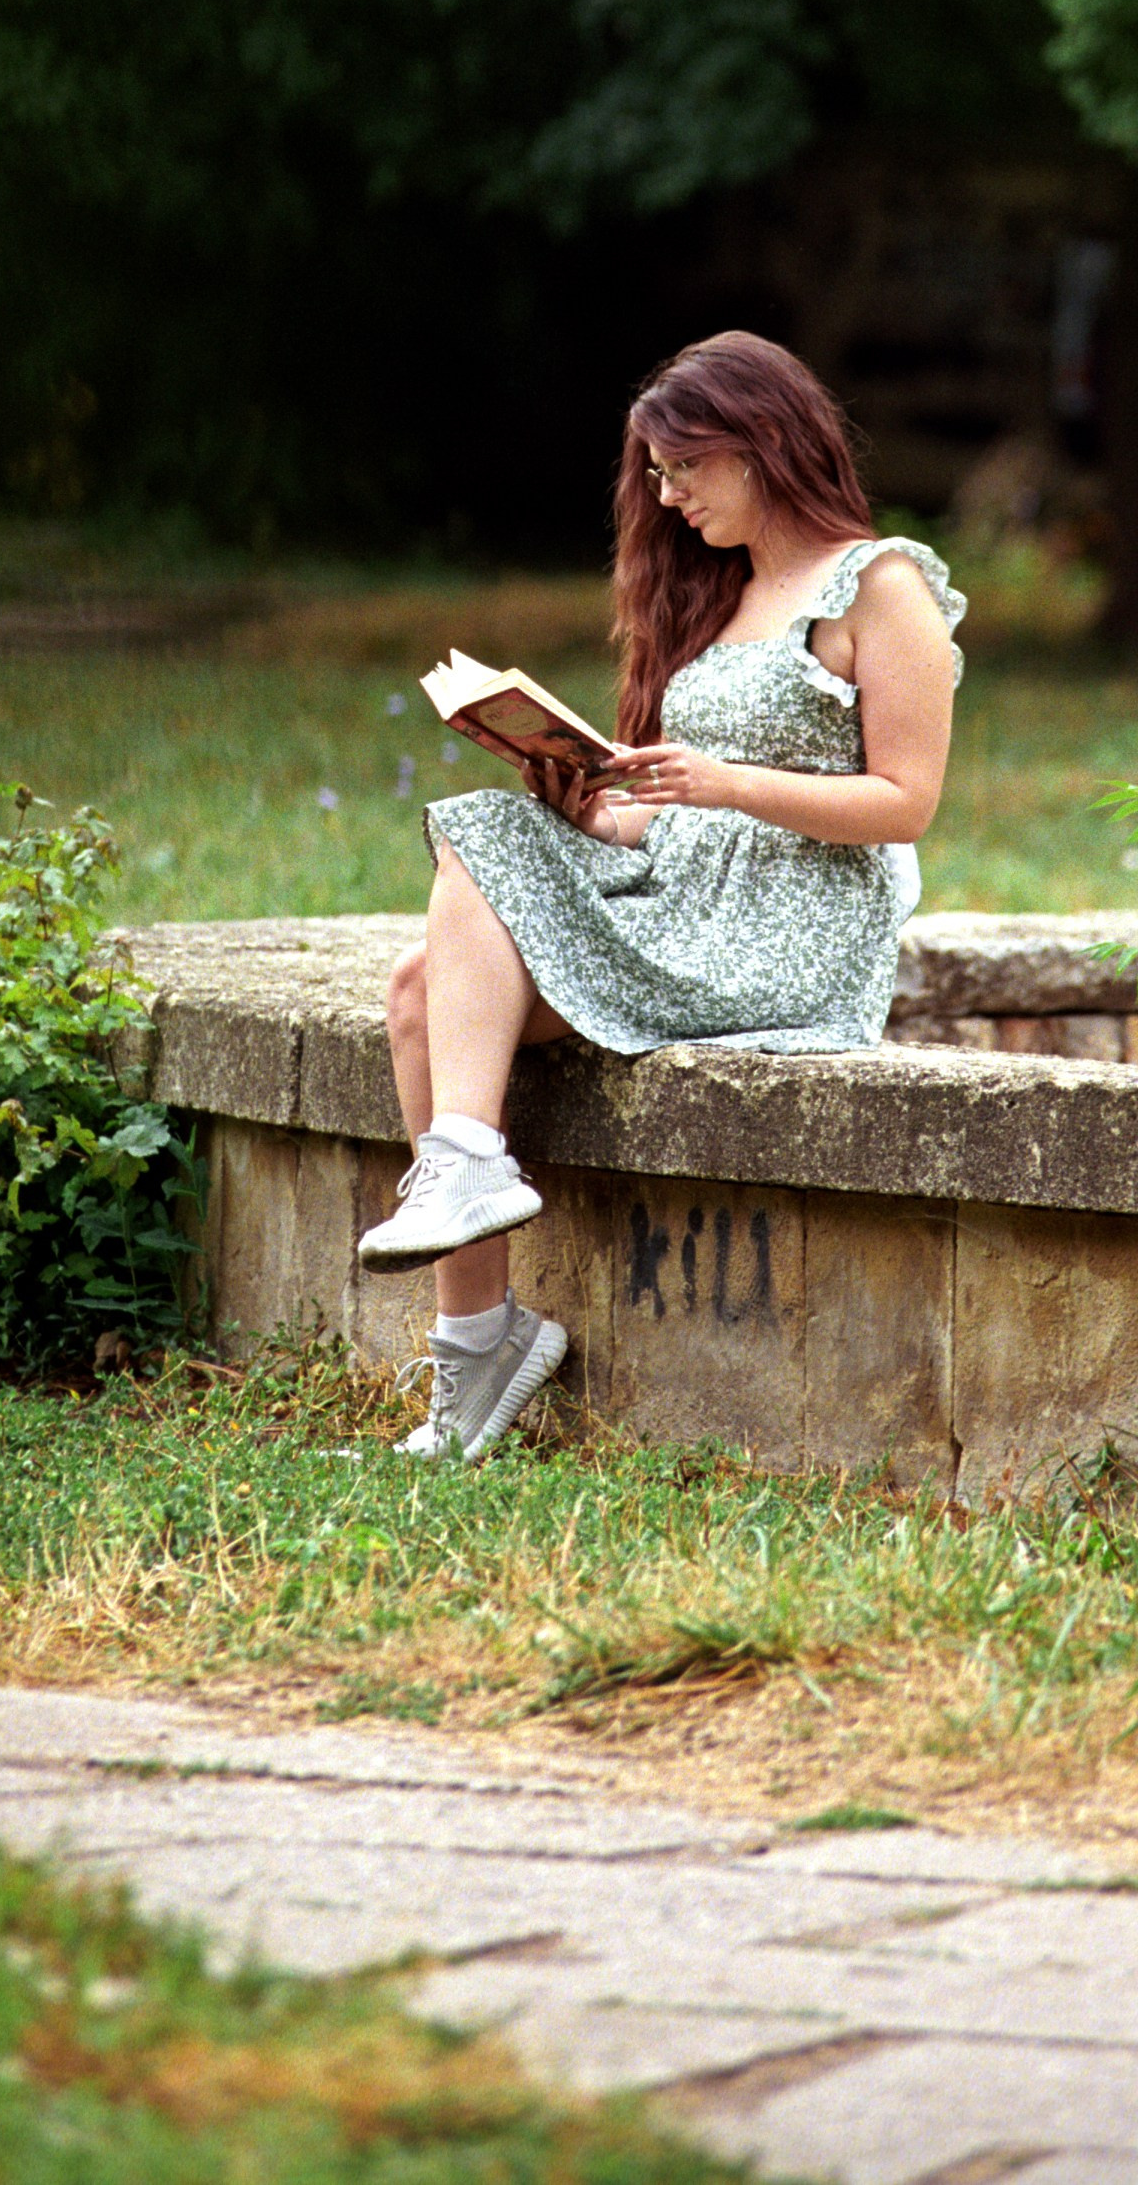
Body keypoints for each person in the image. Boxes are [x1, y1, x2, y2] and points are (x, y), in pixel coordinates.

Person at [365, 328, 965, 1462]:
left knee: (468, 854)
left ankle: (459, 1166)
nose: (666, 493)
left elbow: (906, 799)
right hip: (682, 900)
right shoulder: (724, 592)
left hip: (793, 934)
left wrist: (724, 779)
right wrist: (584, 800)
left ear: (762, 440)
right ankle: (476, 1335)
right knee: (417, 987)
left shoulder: (880, 585)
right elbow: (669, 807)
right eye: (654, 472)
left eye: (684, 466)